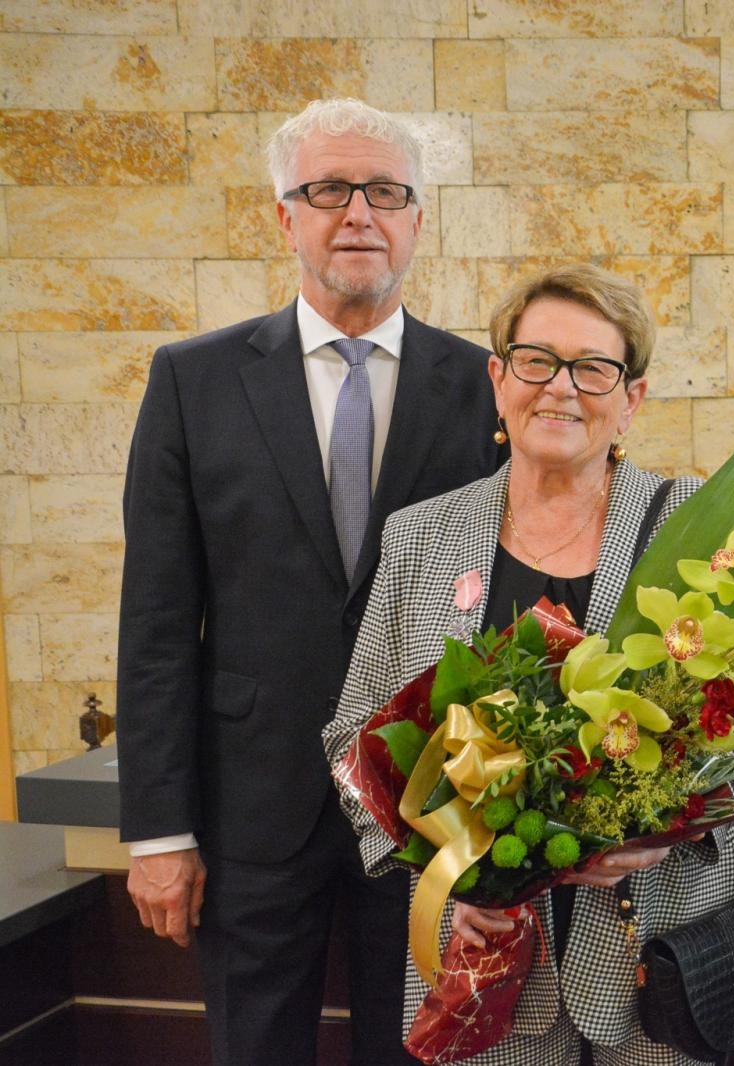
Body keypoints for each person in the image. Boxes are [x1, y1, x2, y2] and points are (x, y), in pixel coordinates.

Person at [116, 98, 502, 1065]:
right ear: (284, 217)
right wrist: (157, 832)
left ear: (419, 219)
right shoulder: (193, 382)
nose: (358, 214)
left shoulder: (489, 387)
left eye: (385, 192)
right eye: (328, 190)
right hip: (251, 811)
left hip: (430, 810)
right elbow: (157, 622)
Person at [323, 263, 734, 1066]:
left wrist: (665, 822)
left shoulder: (698, 530)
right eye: (537, 360)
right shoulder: (420, 538)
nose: (561, 387)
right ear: (498, 378)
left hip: (652, 961)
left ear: (633, 398)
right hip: (481, 967)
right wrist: (441, 874)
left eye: (595, 368)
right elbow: (355, 735)